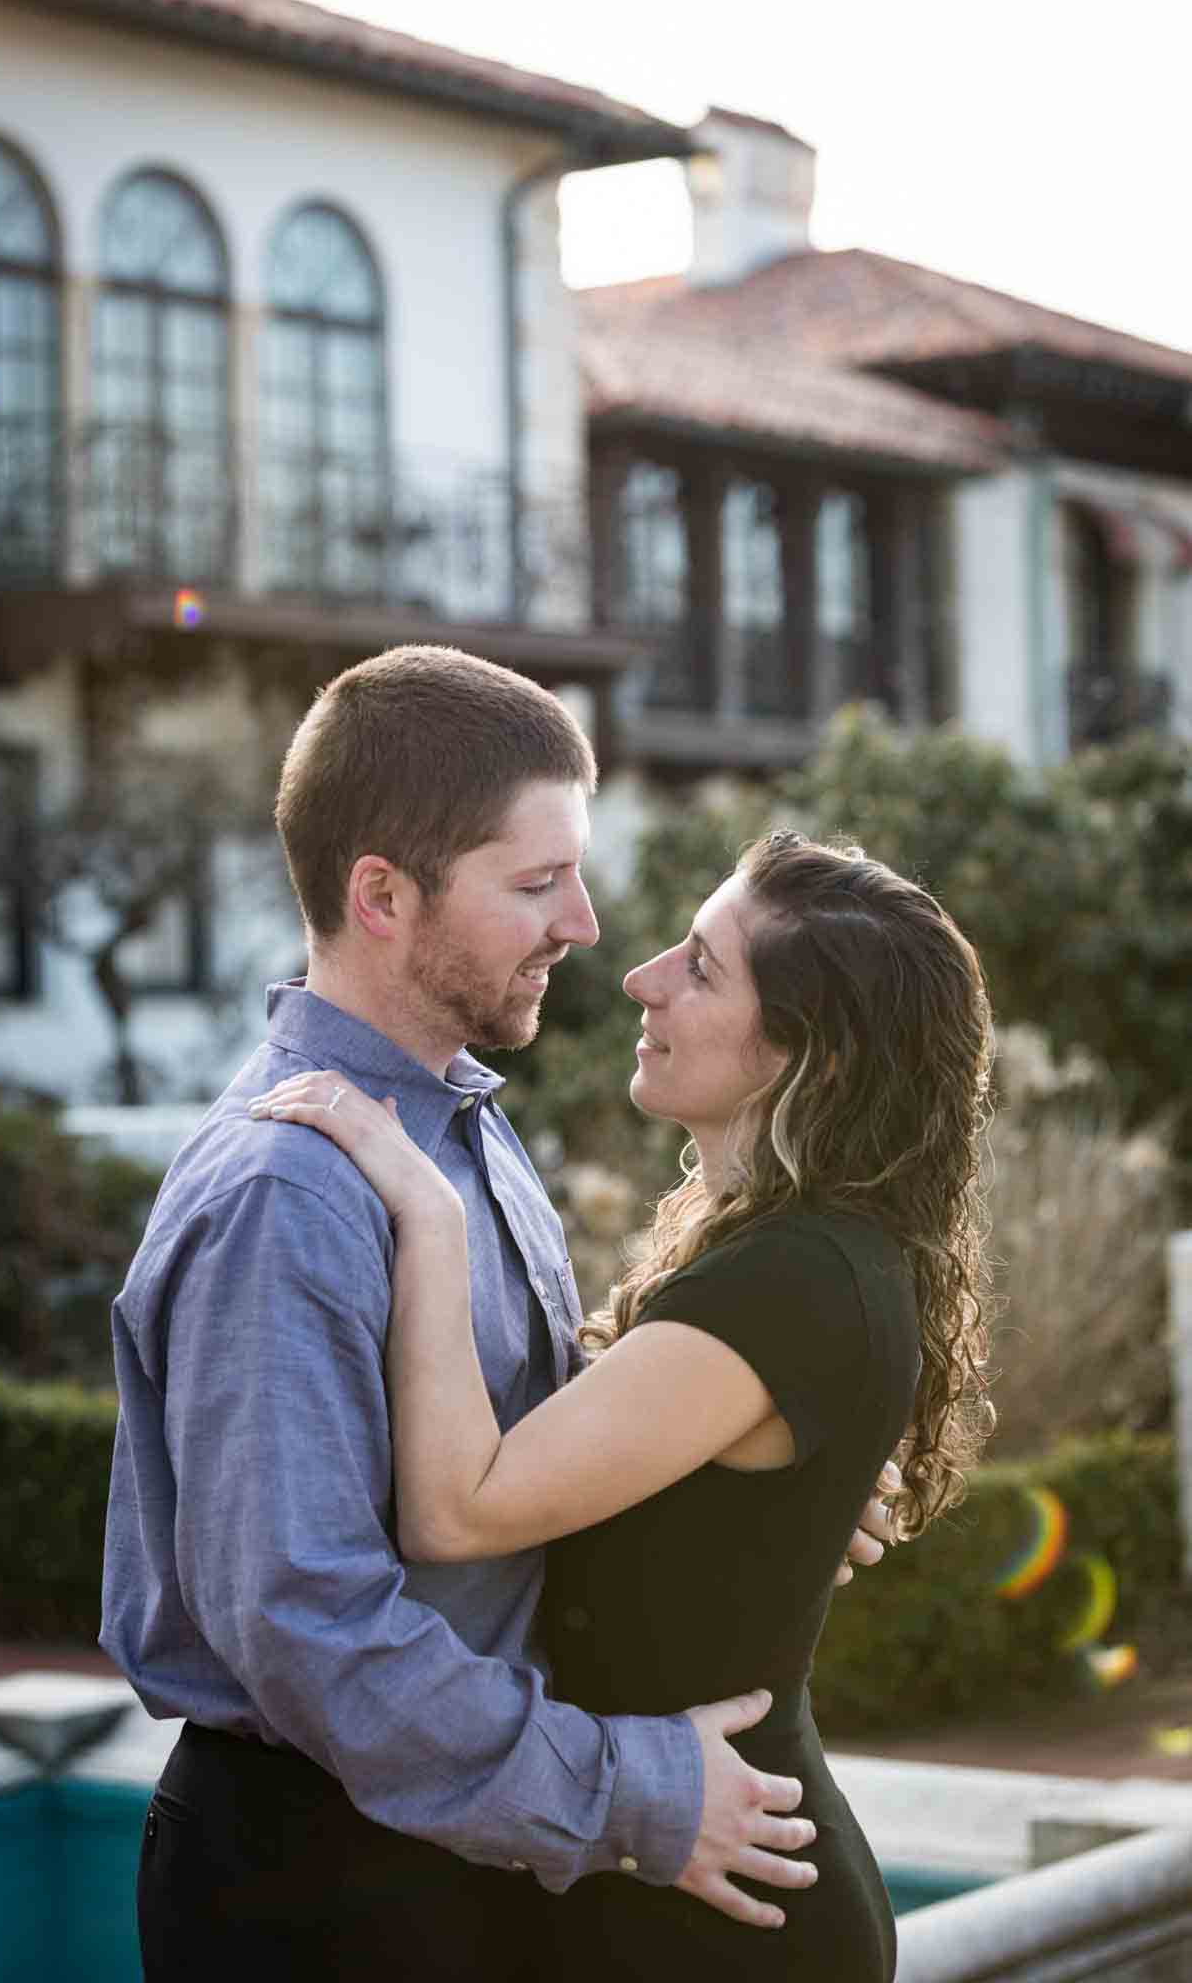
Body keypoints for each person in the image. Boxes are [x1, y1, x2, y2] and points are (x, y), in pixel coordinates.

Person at [101, 646, 897, 1980]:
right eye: (535, 884)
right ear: (382, 897)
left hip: (463, 1864)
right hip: (324, 1888)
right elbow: (311, 1632)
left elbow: (519, 1445)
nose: (584, 925)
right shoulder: (288, 1192)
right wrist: (631, 1791)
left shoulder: (456, 1127)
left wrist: (731, 1475)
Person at [252, 825, 995, 1981]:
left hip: (716, 1911)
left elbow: (459, 1509)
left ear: (818, 1057)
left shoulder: (793, 1279)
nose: (640, 976)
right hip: (670, 1873)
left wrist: (425, 1212)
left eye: (700, 965)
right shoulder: (792, 1253)